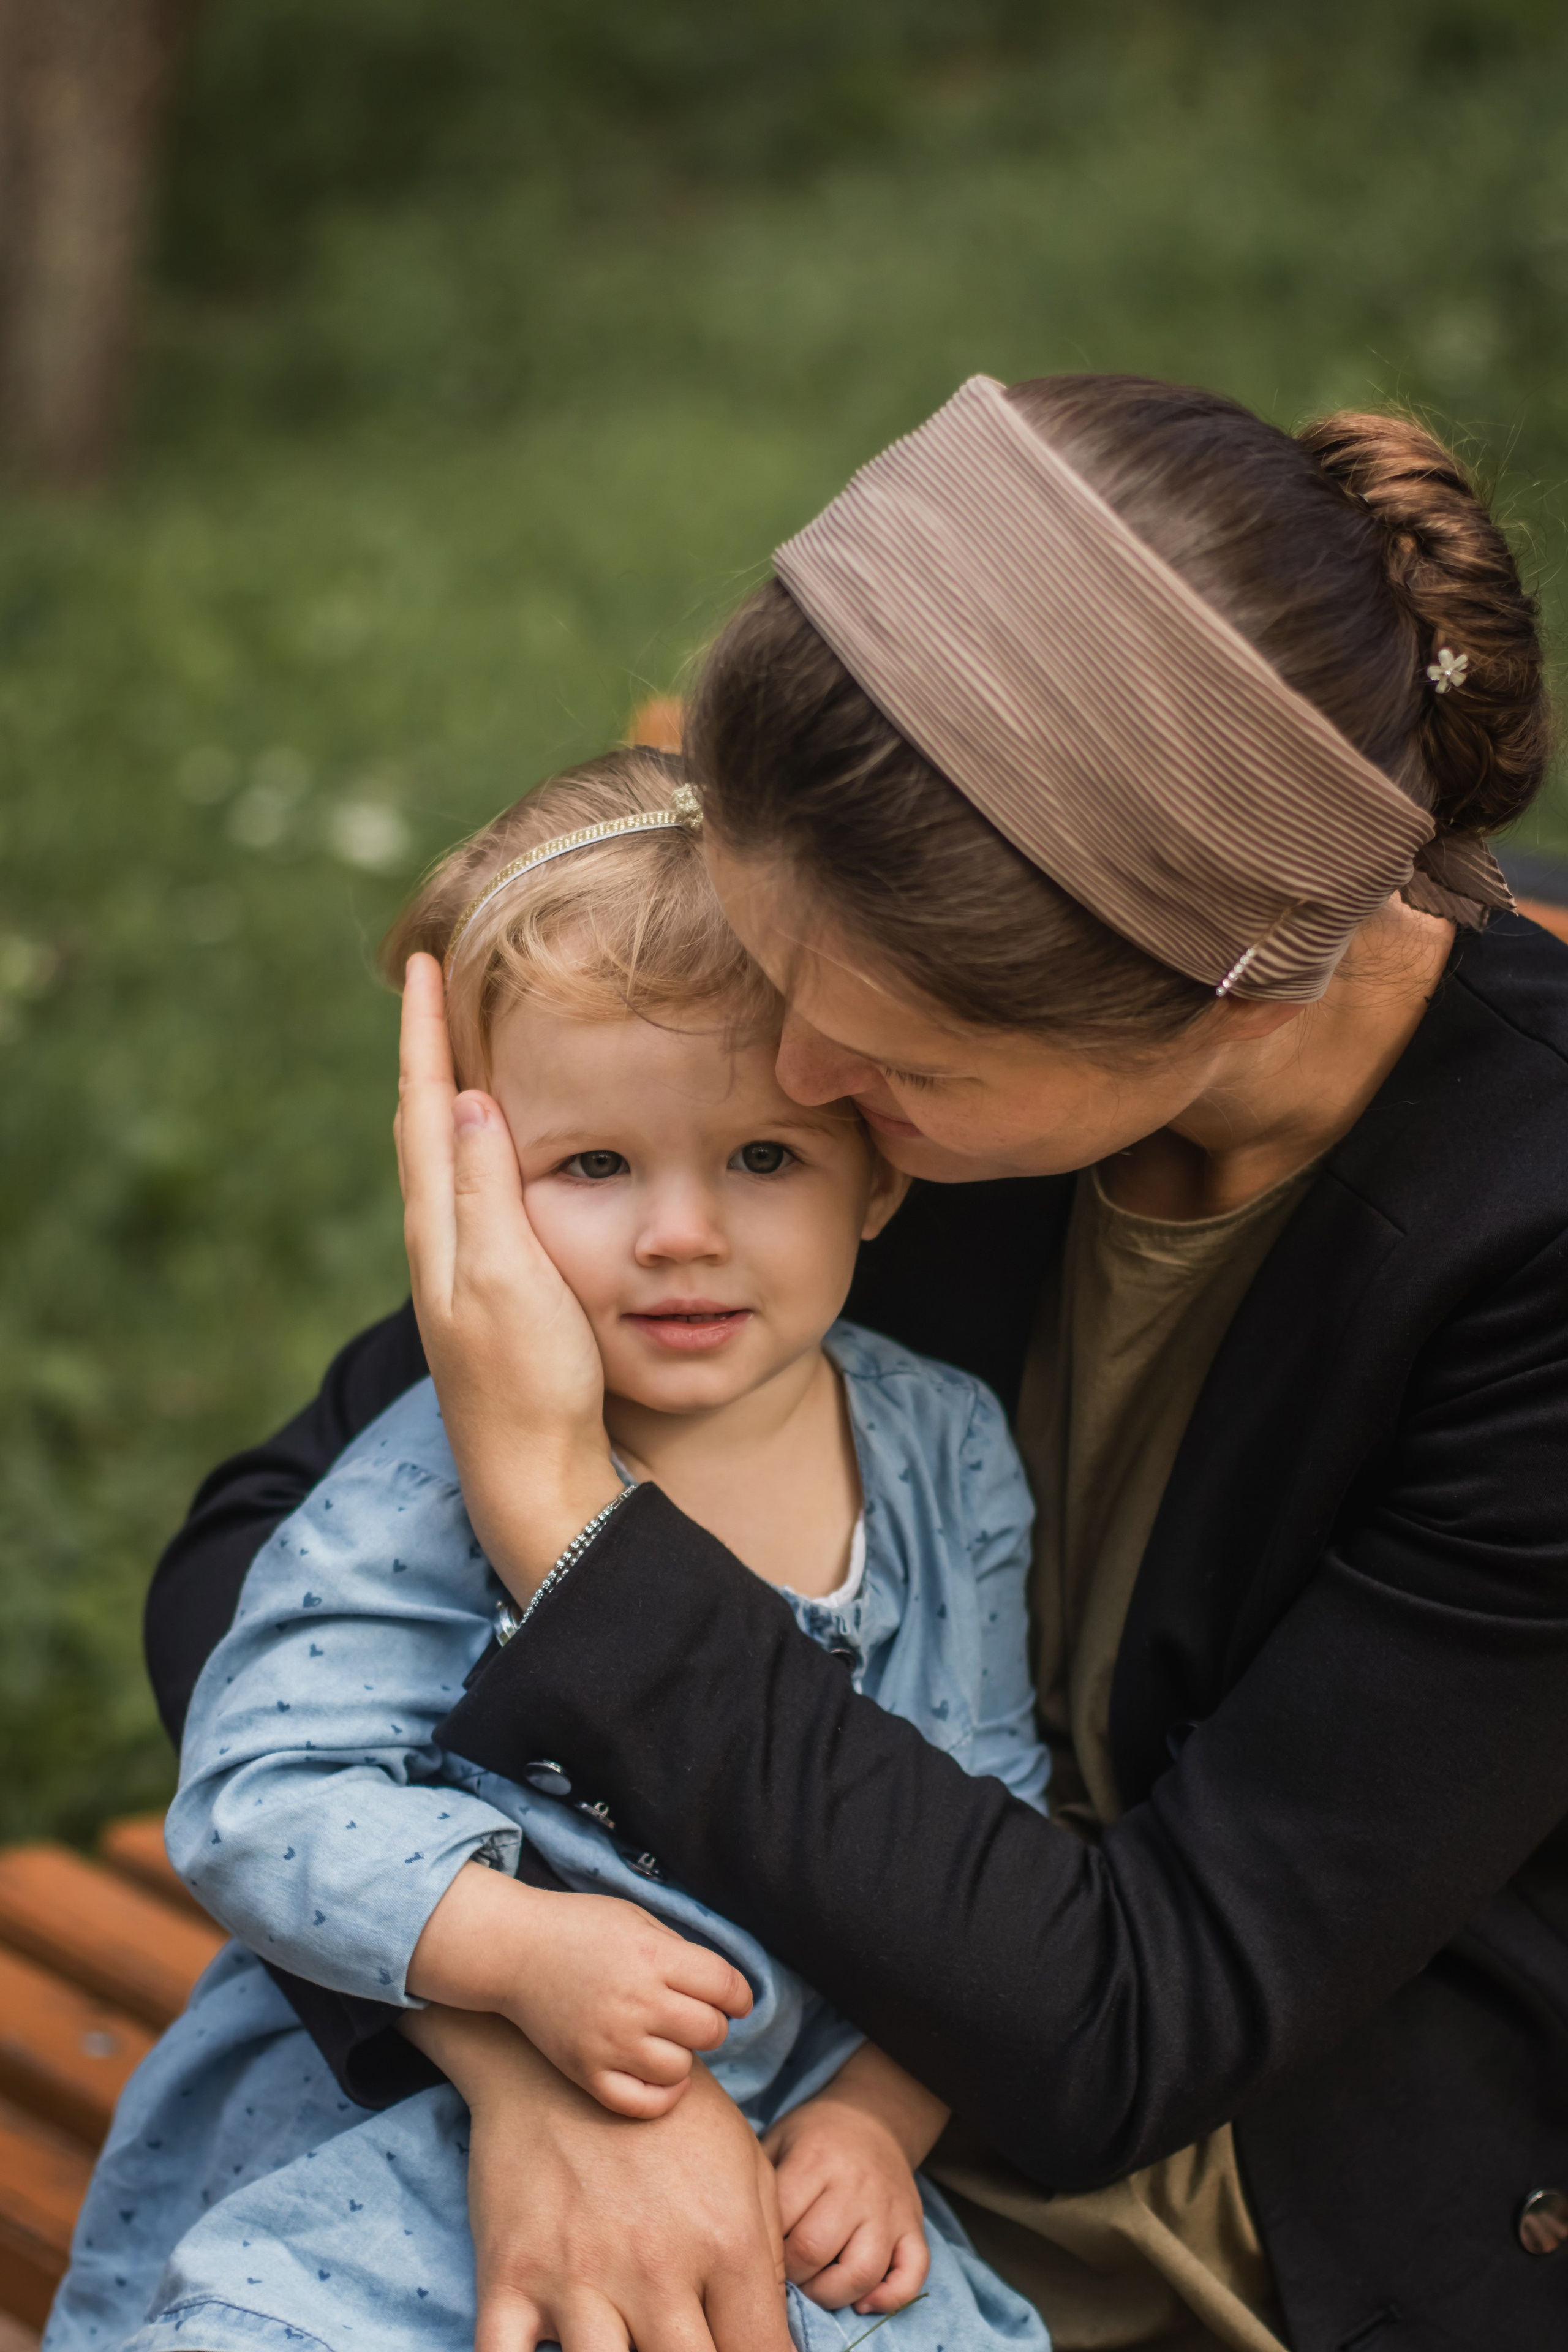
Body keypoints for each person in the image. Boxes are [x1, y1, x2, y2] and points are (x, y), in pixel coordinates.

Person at [145, 377, 1568, 2352]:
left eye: (886, 1060)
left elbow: (1124, 2030)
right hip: (696, 2030)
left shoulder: (1532, 1246)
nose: (800, 1092)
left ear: (1227, 1002)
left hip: (1172, 2191)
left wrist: (572, 1519)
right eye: (780, 973)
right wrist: (519, 2052)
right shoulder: (878, 1032)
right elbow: (251, 1558)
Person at [48, 751, 1055, 2352]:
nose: (680, 1230)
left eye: (762, 1158)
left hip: (785, 2161)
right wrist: (515, 1952)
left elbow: (992, 1840)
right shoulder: (449, 1459)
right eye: (595, 1166)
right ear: (472, 1189)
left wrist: (882, 2118)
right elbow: (258, 1791)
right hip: (406, 2137)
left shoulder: (943, 1457)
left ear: (880, 1169)